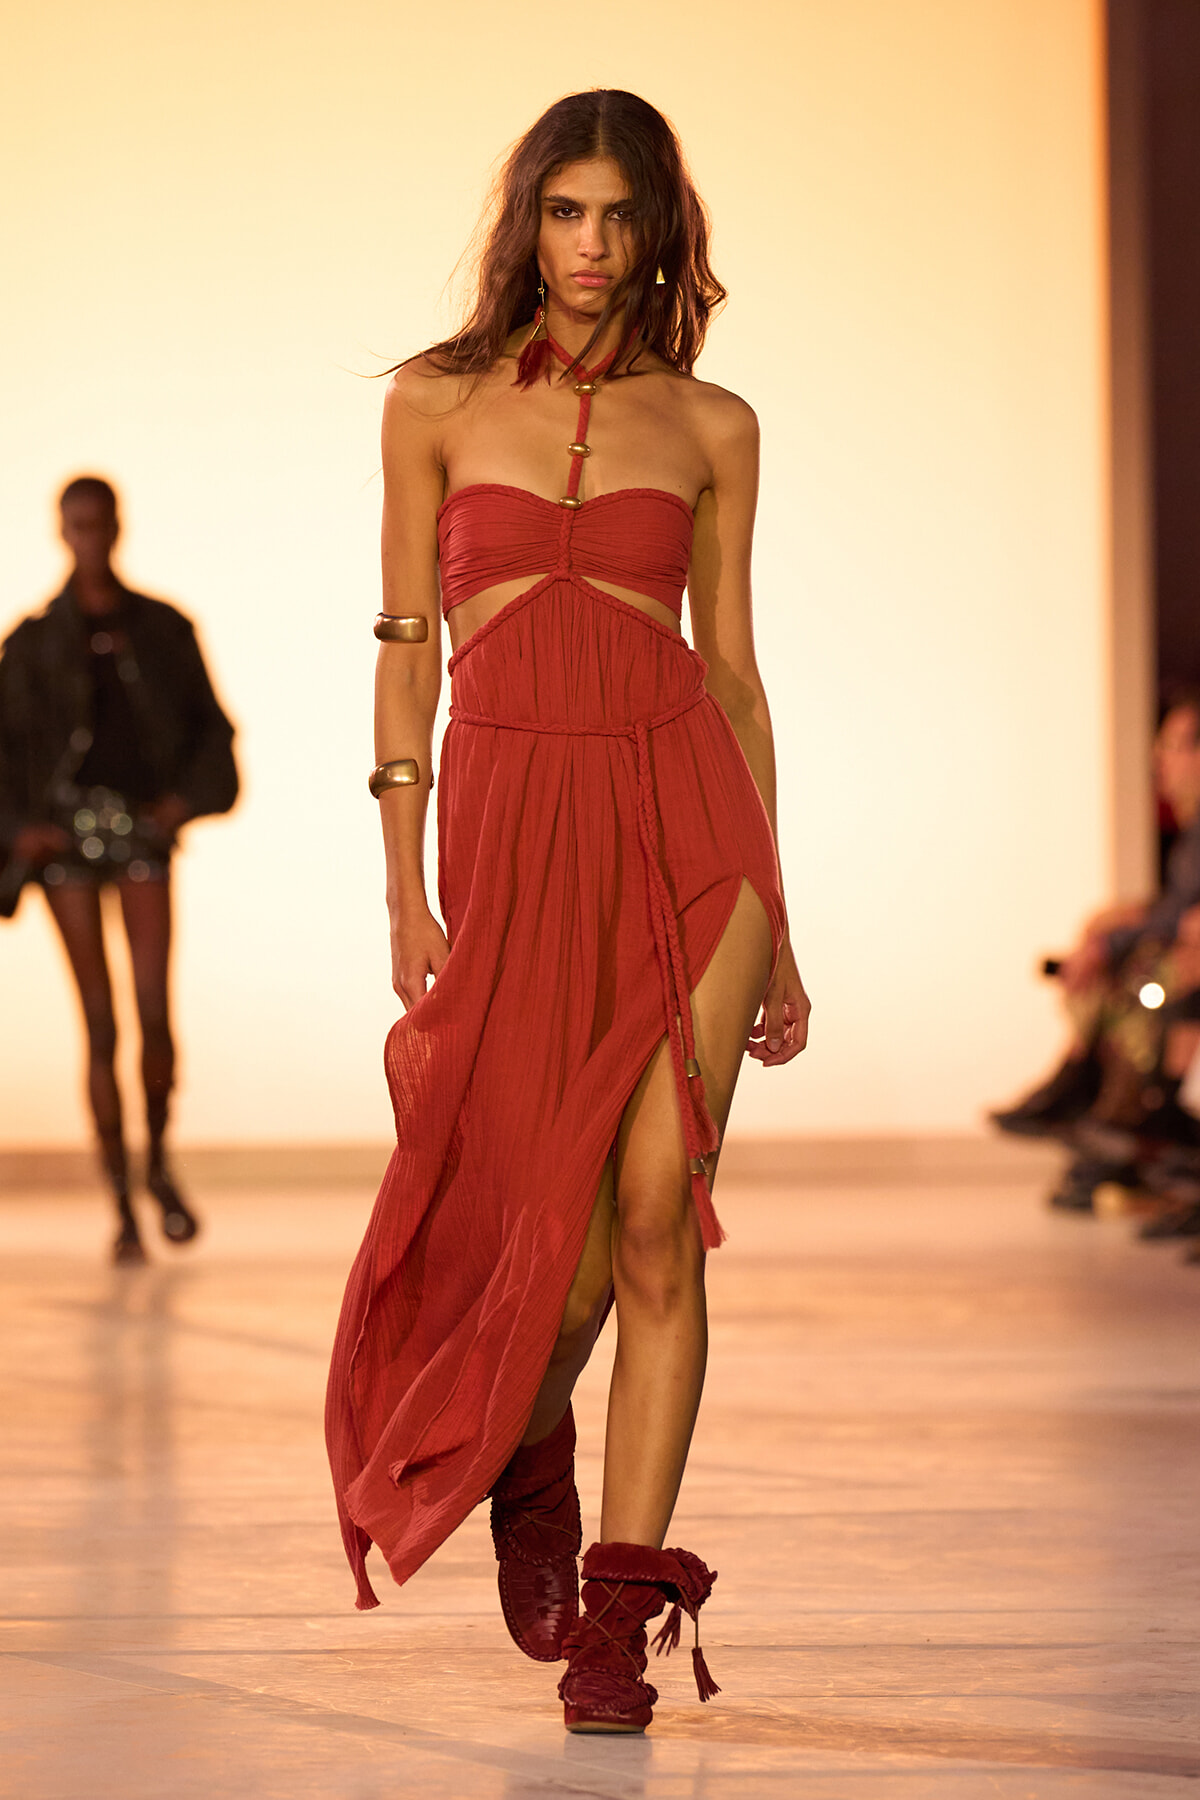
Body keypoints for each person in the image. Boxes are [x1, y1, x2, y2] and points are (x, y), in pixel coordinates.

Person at [324, 90, 810, 1735]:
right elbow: (407, 640)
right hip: (517, 827)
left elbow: (733, 675)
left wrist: (783, 913)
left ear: (661, 228)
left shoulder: (716, 425)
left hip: (691, 824)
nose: (594, 248)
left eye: (623, 217)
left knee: (663, 1219)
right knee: (564, 1238)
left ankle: (620, 1611)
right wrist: (402, 876)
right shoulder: (434, 403)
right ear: (526, 220)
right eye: (567, 214)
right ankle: (530, 1446)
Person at [0, 477, 238, 1264]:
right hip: (66, 841)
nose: (90, 538)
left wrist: (175, 808)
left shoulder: (163, 630)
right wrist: (22, 829)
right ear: (61, 531)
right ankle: (122, 1201)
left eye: (99, 524)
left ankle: (159, 1167)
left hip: (140, 829)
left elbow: (212, 731)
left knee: (152, 1012)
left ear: (116, 527)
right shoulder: (31, 643)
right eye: (77, 526)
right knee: (100, 1024)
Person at [992, 691, 1200, 1209]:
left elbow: (1179, 919)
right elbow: (1173, 910)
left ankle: (1124, 1111)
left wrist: (1112, 941)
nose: (1160, 761)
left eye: (1174, 746)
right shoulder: (1189, 838)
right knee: (1120, 966)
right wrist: (1107, 932)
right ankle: (1100, 1101)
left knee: (1147, 980)